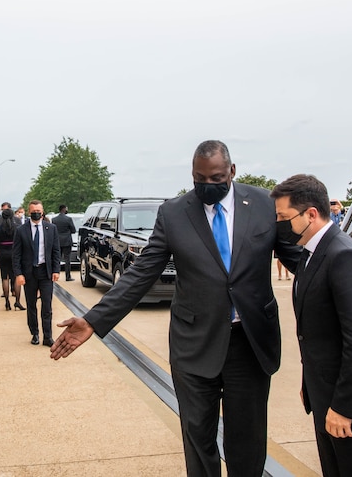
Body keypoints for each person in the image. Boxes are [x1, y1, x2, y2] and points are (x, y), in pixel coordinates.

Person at [50, 140, 301, 477]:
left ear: (232, 172)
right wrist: (94, 320)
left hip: (250, 343)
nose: (207, 186)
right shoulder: (174, 212)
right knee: (198, 437)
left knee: (248, 441)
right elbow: (141, 273)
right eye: (200, 179)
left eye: (216, 178)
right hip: (193, 344)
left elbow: (299, 258)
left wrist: (342, 278)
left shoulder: (262, 203)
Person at [271, 174, 352, 477]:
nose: (279, 225)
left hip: (350, 406)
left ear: (311, 214)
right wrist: (311, 386)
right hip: (325, 396)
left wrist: (344, 408)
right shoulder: (313, 253)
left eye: (283, 217)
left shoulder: (344, 256)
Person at [13, 200, 61, 347]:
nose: (36, 212)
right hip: (29, 273)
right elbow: (16, 255)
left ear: (42, 211)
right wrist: (18, 274)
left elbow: (55, 251)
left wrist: (56, 270)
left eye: (38, 210)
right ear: (29, 212)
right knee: (31, 304)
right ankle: (35, 333)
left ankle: (48, 336)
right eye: (33, 210)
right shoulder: (21, 230)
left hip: (45, 272)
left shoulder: (51, 228)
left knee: (47, 305)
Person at [0, 208, 25, 311]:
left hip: (3, 253)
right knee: (16, 277)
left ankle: (7, 302)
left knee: (4, 278)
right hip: (14, 254)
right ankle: (17, 301)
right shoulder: (17, 228)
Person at [52, 204, 77, 281]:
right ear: (64, 209)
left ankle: (56, 275)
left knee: (57, 259)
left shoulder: (54, 219)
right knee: (67, 259)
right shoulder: (68, 219)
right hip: (67, 241)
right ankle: (68, 276)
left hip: (57, 241)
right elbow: (73, 230)